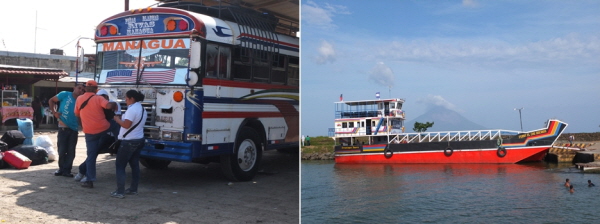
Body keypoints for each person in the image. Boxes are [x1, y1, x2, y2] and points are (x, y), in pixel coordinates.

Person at [74, 80, 117, 188]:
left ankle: (90, 179)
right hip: (104, 129)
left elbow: (77, 115)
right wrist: (115, 104)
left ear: (85, 88)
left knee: (91, 155)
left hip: (89, 132)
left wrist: (83, 126)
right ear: (96, 89)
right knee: (115, 125)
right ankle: (120, 141)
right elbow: (108, 106)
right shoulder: (99, 98)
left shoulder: (79, 99)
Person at [111, 90, 147, 199]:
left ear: (131, 98)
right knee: (134, 165)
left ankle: (120, 191)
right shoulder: (142, 109)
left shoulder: (132, 109)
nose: (125, 100)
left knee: (120, 166)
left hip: (129, 141)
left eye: (126, 98)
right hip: (139, 139)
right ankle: (133, 189)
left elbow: (126, 125)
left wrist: (117, 119)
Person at [48, 83, 85, 177]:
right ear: (74, 88)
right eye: (79, 88)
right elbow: (51, 100)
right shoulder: (65, 94)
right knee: (61, 150)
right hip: (63, 127)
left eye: (82, 90)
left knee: (71, 151)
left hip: (74, 128)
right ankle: (61, 169)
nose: (80, 90)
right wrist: (54, 112)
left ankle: (67, 170)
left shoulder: (81, 100)